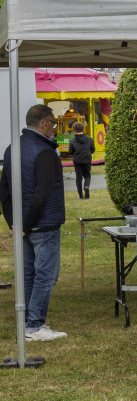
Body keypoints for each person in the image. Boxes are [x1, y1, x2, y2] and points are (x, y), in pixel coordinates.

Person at [0, 104, 67, 341]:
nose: (55, 129)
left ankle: (29, 322)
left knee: (29, 274)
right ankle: (35, 325)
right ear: (45, 123)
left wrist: (14, 223)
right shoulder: (45, 152)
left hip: (24, 225)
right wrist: (23, 226)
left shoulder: (12, 148)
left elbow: (4, 190)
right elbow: (42, 194)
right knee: (46, 275)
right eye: (54, 124)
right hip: (42, 225)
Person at [67, 121, 95, 199]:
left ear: (74, 130)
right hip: (87, 159)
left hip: (77, 161)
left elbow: (70, 152)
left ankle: (81, 195)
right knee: (87, 176)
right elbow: (93, 149)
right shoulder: (89, 139)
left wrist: (74, 154)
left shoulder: (72, 141)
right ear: (83, 129)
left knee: (78, 177)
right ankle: (86, 186)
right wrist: (88, 153)